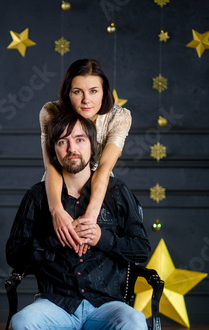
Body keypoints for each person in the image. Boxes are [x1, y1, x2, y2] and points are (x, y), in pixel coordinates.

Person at [6, 111, 150, 330]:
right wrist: (55, 239)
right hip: (57, 305)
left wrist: (103, 237)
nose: (72, 147)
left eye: (79, 139)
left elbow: (141, 249)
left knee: (135, 322)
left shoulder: (117, 193)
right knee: (21, 324)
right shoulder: (39, 197)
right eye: (62, 141)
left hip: (105, 305)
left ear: (93, 146)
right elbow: (14, 253)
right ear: (54, 151)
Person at [40, 58, 131, 254]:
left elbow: (104, 169)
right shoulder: (50, 112)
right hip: (58, 189)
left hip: (100, 192)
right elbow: (52, 167)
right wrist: (56, 210)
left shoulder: (119, 117)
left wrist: (90, 217)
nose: (86, 100)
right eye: (77, 92)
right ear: (67, 92)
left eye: (93, 91)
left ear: (104, 92)